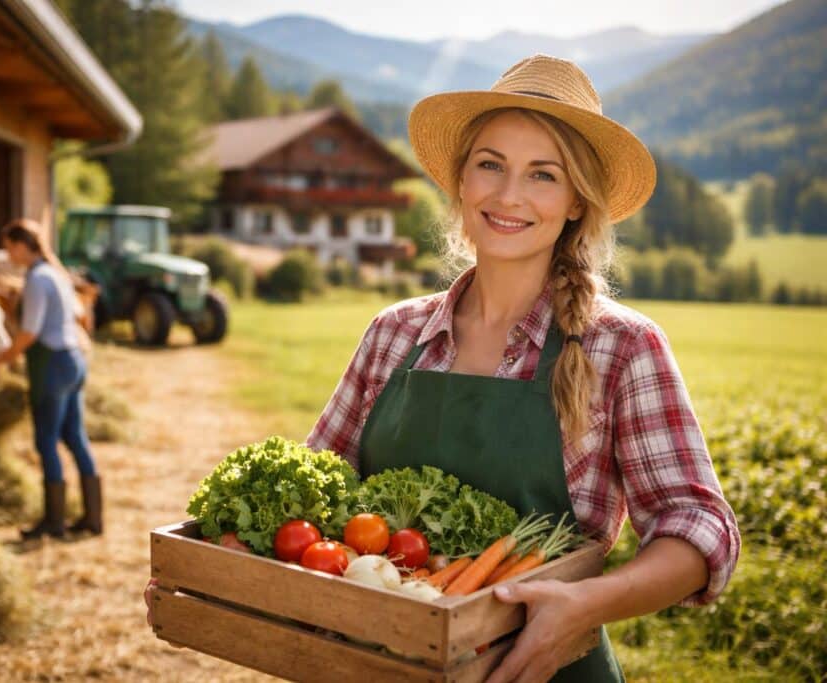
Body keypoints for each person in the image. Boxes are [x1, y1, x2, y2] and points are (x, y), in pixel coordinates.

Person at [305, 55, 740, 682]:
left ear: (574, 203)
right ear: (461, 182)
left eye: (543, 175)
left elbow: (699, 525)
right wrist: (224, 573)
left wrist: (583, 604)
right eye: (491, 164)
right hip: (383, 663)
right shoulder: (394, 334)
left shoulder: (621, 348)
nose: (509, 195)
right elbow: (316, 492)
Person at [0, 218, 103, 539]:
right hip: (75, 359)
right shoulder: (58, 274)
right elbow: (77, 316)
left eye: (9, 248)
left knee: (46, 440)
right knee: (75, 436)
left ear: (23, 246)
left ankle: (53, 523)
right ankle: (93, 518)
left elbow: (29, 334)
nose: (8, 255)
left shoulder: (37, 279)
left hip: (51, 365)